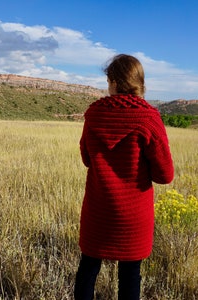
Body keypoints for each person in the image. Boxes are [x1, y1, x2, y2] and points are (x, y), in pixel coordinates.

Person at [74, 54, 174, 300]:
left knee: (88, 270)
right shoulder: (149, 118)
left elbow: (87, 159)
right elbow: (165, 175)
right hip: (133, 214)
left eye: (108, 80)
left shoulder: (94, 114)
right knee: (130, 276)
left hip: (98, 210)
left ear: (115, 82)